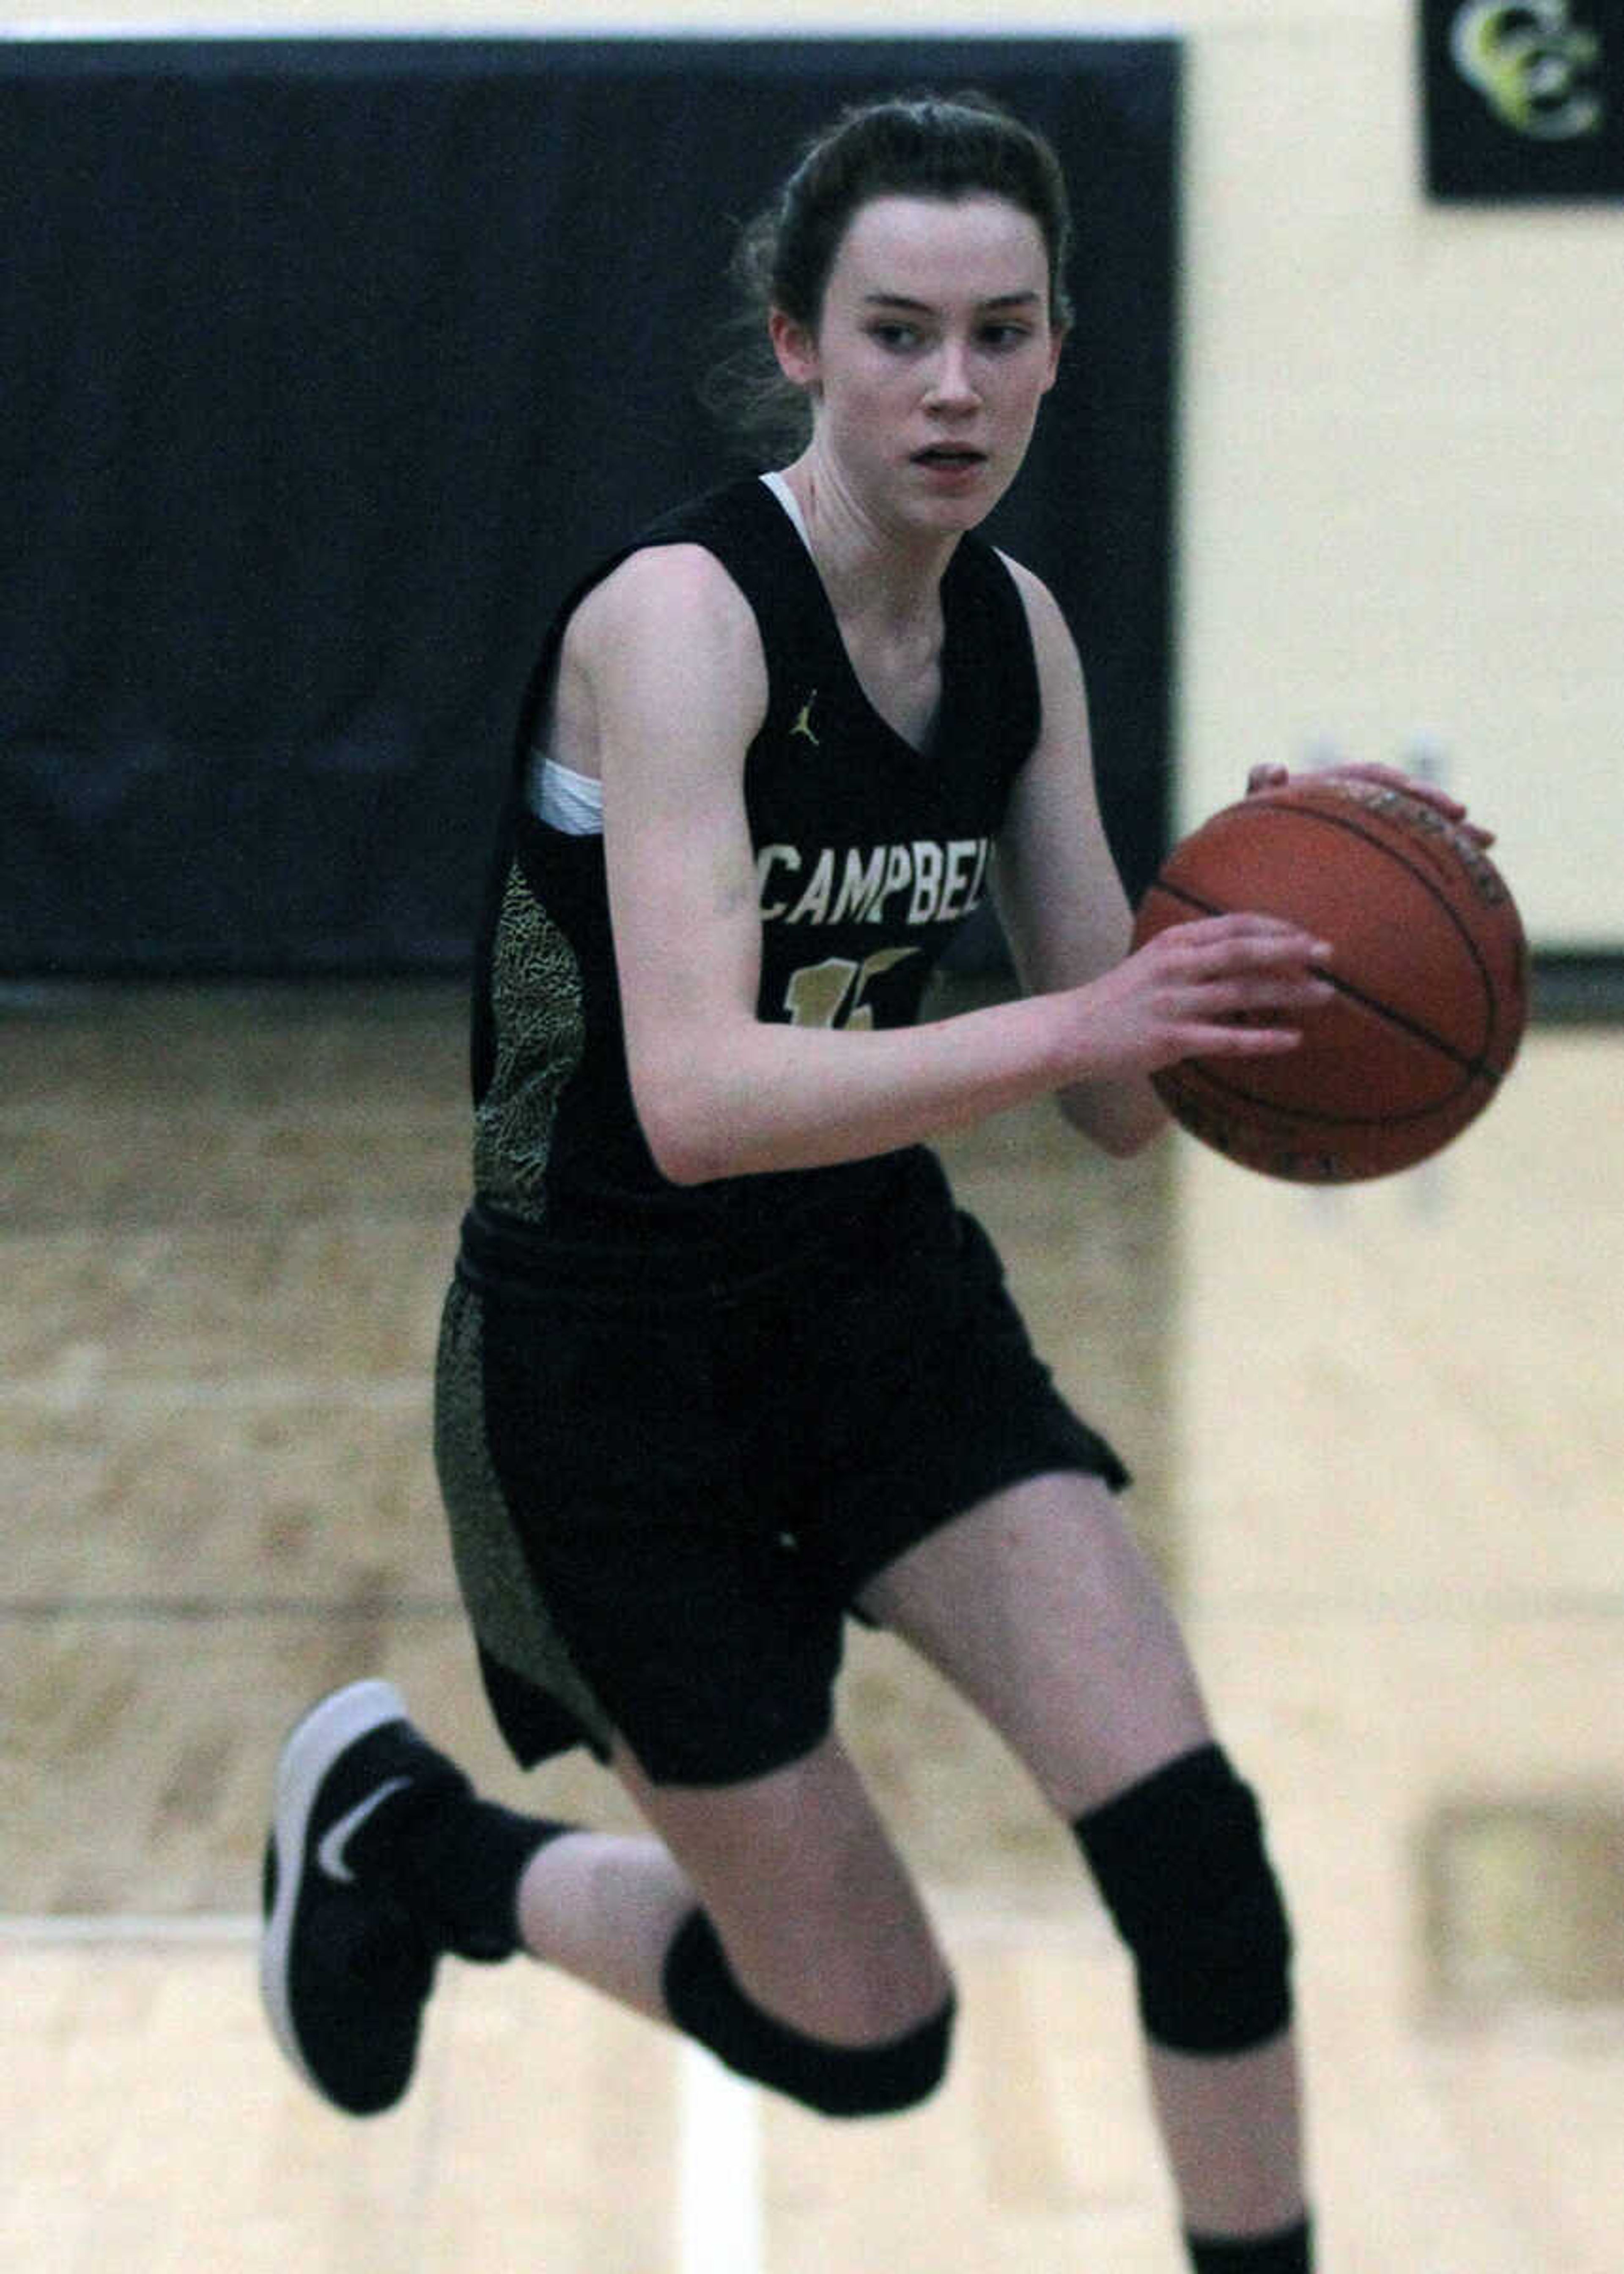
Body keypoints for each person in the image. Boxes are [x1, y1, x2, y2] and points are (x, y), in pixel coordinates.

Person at [259, 93, 1486, 2272]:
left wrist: (1271, 922)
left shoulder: (1019, 635)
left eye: (1001, 333)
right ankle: (409, 1847)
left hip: (877, 1308)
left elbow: (1120, 1096)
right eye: (899, 331)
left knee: (1203, 1867)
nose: (954, 385)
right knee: (866, 2037)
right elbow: (697, 1099)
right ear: (801, 343)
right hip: (606, 1373)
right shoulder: (679, 624)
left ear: (1052, 347)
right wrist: (1079, 1027)